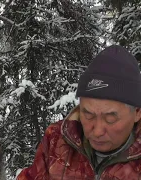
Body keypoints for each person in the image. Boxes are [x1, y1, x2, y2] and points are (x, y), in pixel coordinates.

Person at [16, 45, 141, 180]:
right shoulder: (57, 139)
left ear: (137, 112)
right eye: (88, 115)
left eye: (110, 118)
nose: (97, 131)